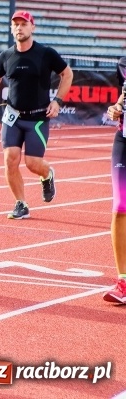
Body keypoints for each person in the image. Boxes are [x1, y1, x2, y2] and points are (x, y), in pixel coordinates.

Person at [0, 10, 73, 220]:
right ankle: (21, 203)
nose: (19, 28)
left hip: (37, 119)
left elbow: (67, 74)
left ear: (32, 27)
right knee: (10, 159)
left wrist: (57, 101)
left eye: (23, 24)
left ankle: (47, 175)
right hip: (12, 116)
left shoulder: (46, 53)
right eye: (16, 25)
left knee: (32, 163)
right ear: (12, 29)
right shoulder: (6, 56)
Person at [103, 59, 126, 303]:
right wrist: (116, 108)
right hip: (124, 138)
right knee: (120, 207)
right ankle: (124, 280)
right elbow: (124, 96)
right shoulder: (124, 64)